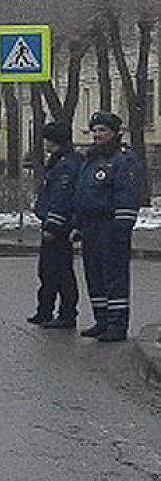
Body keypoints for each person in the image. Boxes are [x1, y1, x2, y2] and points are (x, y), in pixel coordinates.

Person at [73, 111, 143, 342]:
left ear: (114, 134)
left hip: (111, 226)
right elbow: (83, 195)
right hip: (91, 227)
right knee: (94, 275)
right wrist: (78, 225)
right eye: (94, 130)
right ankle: (101, 320)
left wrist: (121, 230)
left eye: (102, 130)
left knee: (114, 278)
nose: (97, 135)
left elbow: (127, 196)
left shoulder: (124, 161)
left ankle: (117, 325)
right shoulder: (90, 160)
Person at [27, 122, 83, 328]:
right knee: (48, 270)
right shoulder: (60, 161)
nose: (46, 144)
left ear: (56, 141)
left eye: (48, 140)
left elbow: (62, 198)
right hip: (55, 223)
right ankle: (45, 310)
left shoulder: (67, 165)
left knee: (59, 271)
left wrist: (52, 225)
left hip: (58, 227)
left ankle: (66, 314)